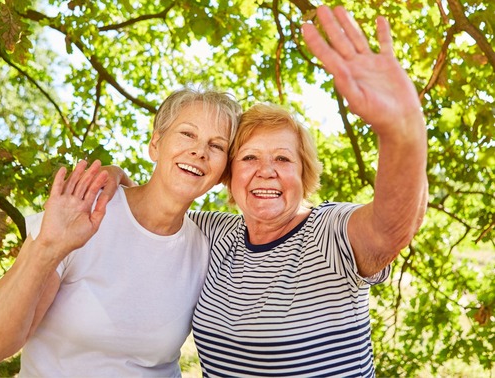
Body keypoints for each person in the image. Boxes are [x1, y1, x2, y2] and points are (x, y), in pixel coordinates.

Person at [102, 5, 428, 377]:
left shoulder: (328, 233)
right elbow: (156, 206)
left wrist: (402, 132)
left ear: (304, 174)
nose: (266, 172)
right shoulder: (215, 234)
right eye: (250, 158)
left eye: (283, 160)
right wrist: (115, 177)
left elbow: (392, 227)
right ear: (228, 173)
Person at [0, 87, 242, 377]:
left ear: (223, 172)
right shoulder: (82, 212)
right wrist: (48, 248)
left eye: (217, 146)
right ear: (155, 144)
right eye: (187, 134)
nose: (199, 151)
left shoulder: (209, 245)